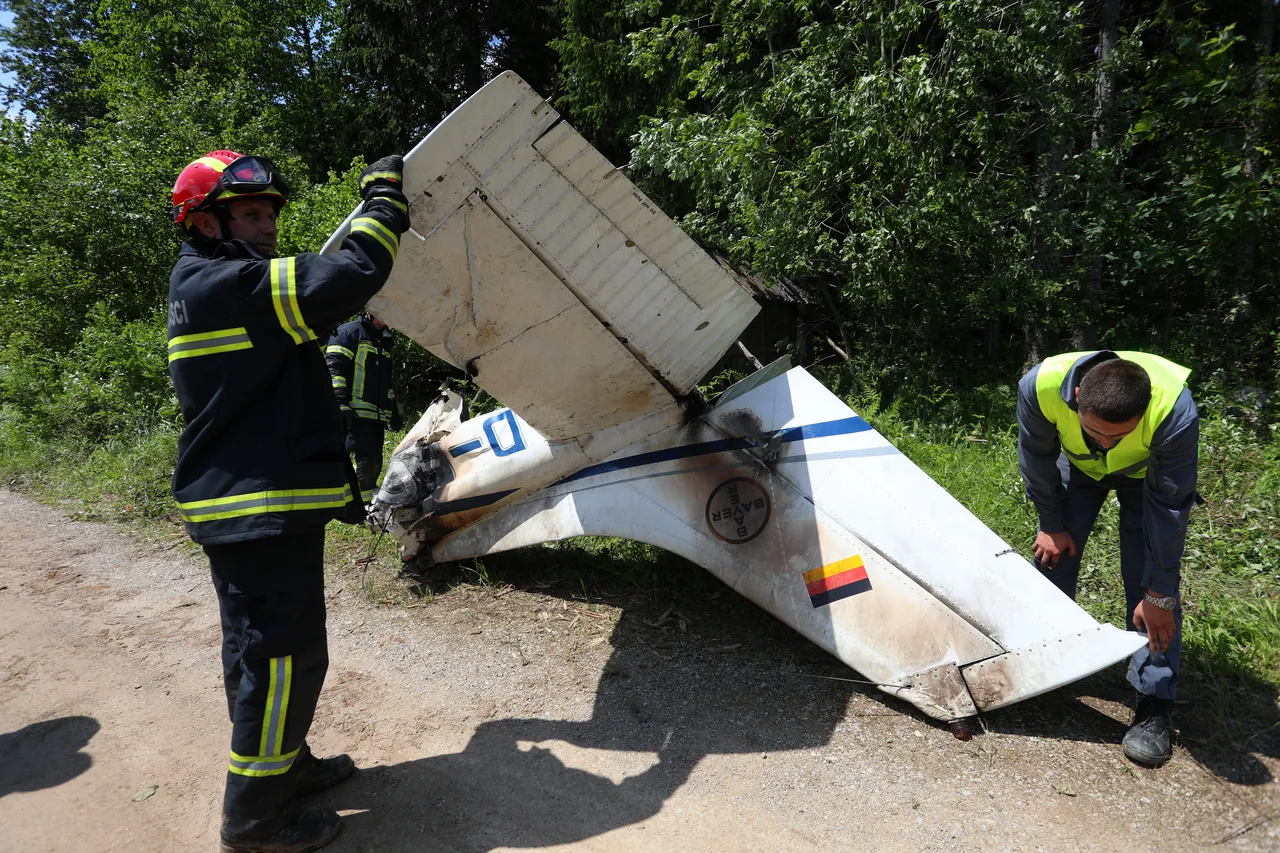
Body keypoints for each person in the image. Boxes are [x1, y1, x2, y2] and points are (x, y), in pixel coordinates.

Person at [167, 149, 410, 852]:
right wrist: (384, 200)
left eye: (271, 212)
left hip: (251, 508)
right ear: (207, 223)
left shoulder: (212, 280)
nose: (268, 225)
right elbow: (353, 273)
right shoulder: (230, 285)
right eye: (249, 212)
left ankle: (285, 768)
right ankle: (256, 822)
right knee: (280, 664)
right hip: (255, 510)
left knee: (258, 656)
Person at [1017, 350, 1198, 767]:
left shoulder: (1174, 411)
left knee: (1147, 587)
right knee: (1052, 559)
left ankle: (1154, 704)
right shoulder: (1040, 387)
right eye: (1096, 431)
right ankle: (1036, 662)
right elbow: (1036, 455)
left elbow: (1172, 508)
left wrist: (1161, 594)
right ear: (1077, 396)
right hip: (1076, 471)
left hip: (1146, 480)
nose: (1106, 443)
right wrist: (1050, 521)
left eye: (1118, 436)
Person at [326, 309, 403, 507]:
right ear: (368, 310)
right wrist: (340, 402)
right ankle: (355, 506)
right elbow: (334, 368)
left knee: (373, 463)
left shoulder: (384, 341)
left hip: (375, 415)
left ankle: (363, 506)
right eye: (381, 311)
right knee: (362, 462)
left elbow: (386, 382)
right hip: (354, 412)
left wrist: (393, 411)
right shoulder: (350, 333)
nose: (385, 317)